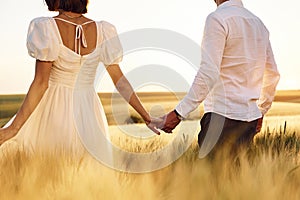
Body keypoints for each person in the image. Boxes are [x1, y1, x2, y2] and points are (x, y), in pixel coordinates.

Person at [0, 0, 160, 155]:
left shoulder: (47, 28)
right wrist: (146, 116)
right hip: (89, 111)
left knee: (47, 170)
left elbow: (41, 83)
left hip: (53, 108)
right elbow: (119, 81)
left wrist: (13, 129)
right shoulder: (103, 31)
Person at [158, 0, 280, 160]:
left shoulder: (217, 19)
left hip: (220, 119)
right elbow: (272, 73)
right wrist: (261, 111)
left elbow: (209, 72)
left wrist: (179, 113)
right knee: (238, 181)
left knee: (212, 182)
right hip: (249, 120)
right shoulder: (259, 25)